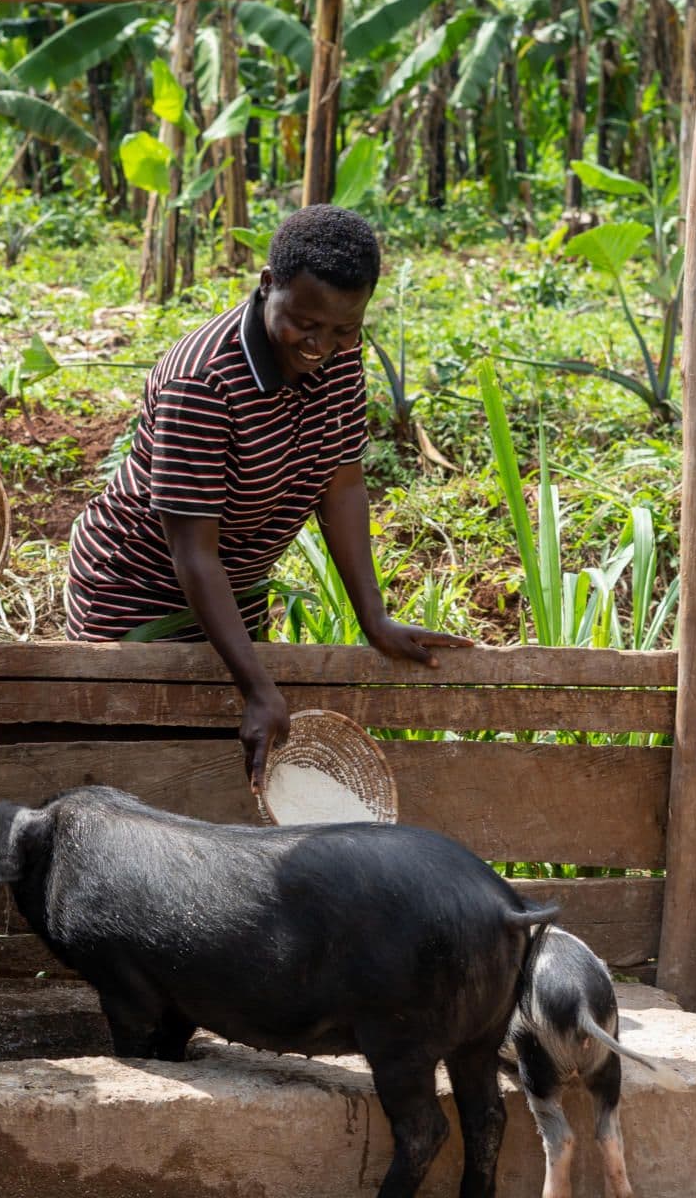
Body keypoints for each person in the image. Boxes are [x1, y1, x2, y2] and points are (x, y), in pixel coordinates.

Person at [65, 205, 471, 785]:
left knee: (223, 773)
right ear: (267, 285)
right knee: (132, 769)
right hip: (136, 594)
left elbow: (342, 483)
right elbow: (193, 553)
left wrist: (373, 619)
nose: (322, 346)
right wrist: (257, 687)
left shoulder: (338, 354)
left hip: (235, 589)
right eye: (306, 324)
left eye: (343, 329)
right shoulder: (203, 381)